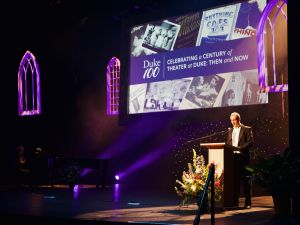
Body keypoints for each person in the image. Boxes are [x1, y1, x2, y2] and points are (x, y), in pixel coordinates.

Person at [226, 112, 253, 209]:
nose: (233, 122)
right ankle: (235, 202)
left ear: (239, 119)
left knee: (246, 181)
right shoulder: (230, 130)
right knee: (235, 181)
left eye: (234, 120)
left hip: (243, 158)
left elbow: (250, 142)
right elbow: (227, 143)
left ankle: (248, 202)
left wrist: (239, 148)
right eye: (231, 120)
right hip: (233, 159)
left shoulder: (247, 129)